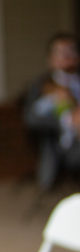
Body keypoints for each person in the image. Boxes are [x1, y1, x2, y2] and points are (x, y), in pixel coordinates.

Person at [23, 32, 80, 190]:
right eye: (61, 52)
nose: (67, 56)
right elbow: (31, 118)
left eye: (71, 51)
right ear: (51, 59)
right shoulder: (43, 85)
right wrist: (68, 120)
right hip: (61, 145)